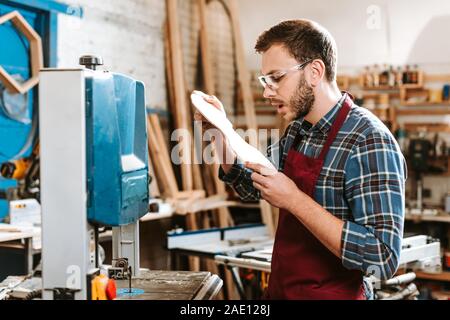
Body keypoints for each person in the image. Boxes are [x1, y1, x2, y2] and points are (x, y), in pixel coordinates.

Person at [194, 19, 406, 300]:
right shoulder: (298, 130)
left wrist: (293, 199)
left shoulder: (368, 140)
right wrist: (219, 134)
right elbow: (248, 185)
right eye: (265, 81)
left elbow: (382, 258)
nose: (267, 92)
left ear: (315, 72)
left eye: (277, 78)